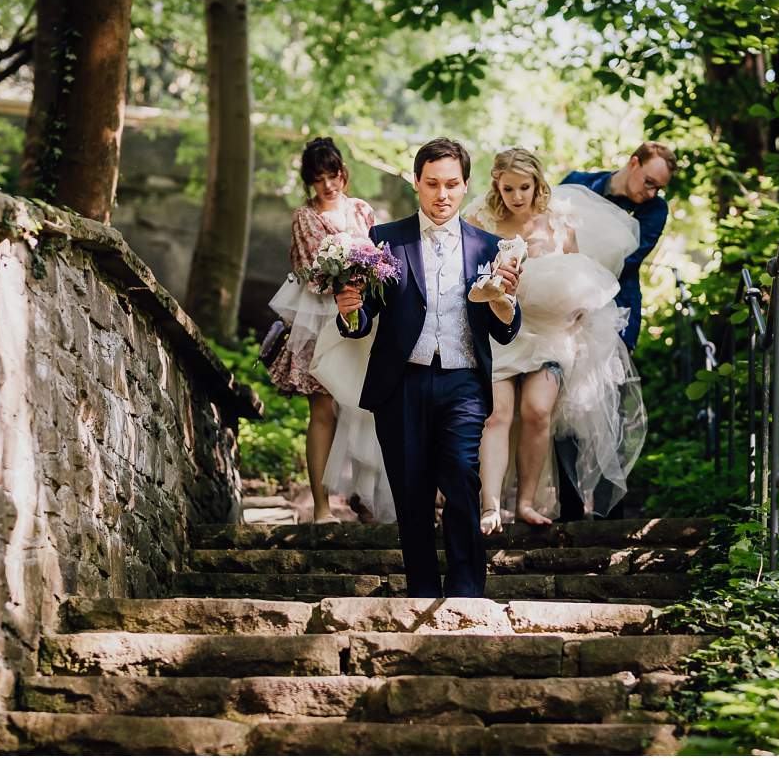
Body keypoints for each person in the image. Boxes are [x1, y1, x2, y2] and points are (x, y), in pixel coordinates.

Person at [332, 137, 522, 598]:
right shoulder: (384, 241)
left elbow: (507, 330)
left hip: (463, 380)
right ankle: (420, 589)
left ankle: (466, 591)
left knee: (460, 474)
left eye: (452, 185)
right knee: (411, 491)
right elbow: (362, 321)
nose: (442, 195)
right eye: (432, 183)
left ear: (465, 185)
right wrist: (348, 309)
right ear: (416, 182)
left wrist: (503, 300)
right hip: (401, 382)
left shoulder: (491, 248)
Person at [463, 148, 647, 532]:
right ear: (497, 183)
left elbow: (578, 272)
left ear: (537, 183)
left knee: (537, 410)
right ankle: (491, 506)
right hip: (500, 332)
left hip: (549, 334)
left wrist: (576, 307)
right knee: (497, 414)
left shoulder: (558, 219)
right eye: (508, 187)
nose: (516, 196)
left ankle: (527, 502)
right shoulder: (481, 219)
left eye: (524, 187)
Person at [554, 141, 675, 520]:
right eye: (650, 181)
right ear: (633, 162)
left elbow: (627, 259)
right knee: (565, 406)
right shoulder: (577, 183)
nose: (652, 192)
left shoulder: (654, 210)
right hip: (565, 310)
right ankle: (570, 509)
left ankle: (612, 512)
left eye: (659, 187)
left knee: (612, 408)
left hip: (616, 313)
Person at [266, 137, 375, 523]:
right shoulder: (306, 217)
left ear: (343, 172)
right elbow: (312, 271)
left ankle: (366, 500)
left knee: (364, 409)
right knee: (324, 410)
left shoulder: (362, 210)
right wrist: (345, 282)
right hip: (318, 319)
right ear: (309, 182)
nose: (328, 185)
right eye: (319, 179)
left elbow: (378, 258)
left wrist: (368, 285)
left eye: (333, 175)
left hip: (361, 317)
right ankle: (322, 506)